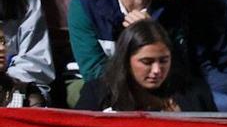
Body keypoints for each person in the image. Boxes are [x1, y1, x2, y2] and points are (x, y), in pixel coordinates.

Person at [76, 18, 214, 113]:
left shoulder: (194, 93)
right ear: (126, 61)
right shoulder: (97, 93)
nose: (157, 70)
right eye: (147, 62)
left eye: (164, 61)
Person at [0, 0, 54, 105]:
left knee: (33, 99)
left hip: (11, 86)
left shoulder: (26, 4)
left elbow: (35, 62)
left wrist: (5, 82)